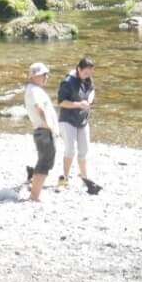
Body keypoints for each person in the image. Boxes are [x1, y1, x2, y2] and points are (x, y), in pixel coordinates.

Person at [23, 62, 59, 204]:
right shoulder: (34, 91)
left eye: (47, 74)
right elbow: (39, 108)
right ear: (35, 76)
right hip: (43, 130)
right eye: (44, 75)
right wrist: (49, 125)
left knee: (46, 161)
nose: (47, 77)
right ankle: (35, 196)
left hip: (43, 130)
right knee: (44, 162)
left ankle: (35, 193)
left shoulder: (34, 89)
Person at [57, 56, 96, 190]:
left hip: (82, 120)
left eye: (90, 72)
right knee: (70, 150)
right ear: (78, 69)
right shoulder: (68, 82)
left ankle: (84, 177)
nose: (88, 75)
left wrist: (89, 101)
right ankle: (65, 179)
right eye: (85, 72)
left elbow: (92, 91)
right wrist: (79, 104)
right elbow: (61, 102)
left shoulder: (88, 80)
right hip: (67, 119)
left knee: (84, 150)